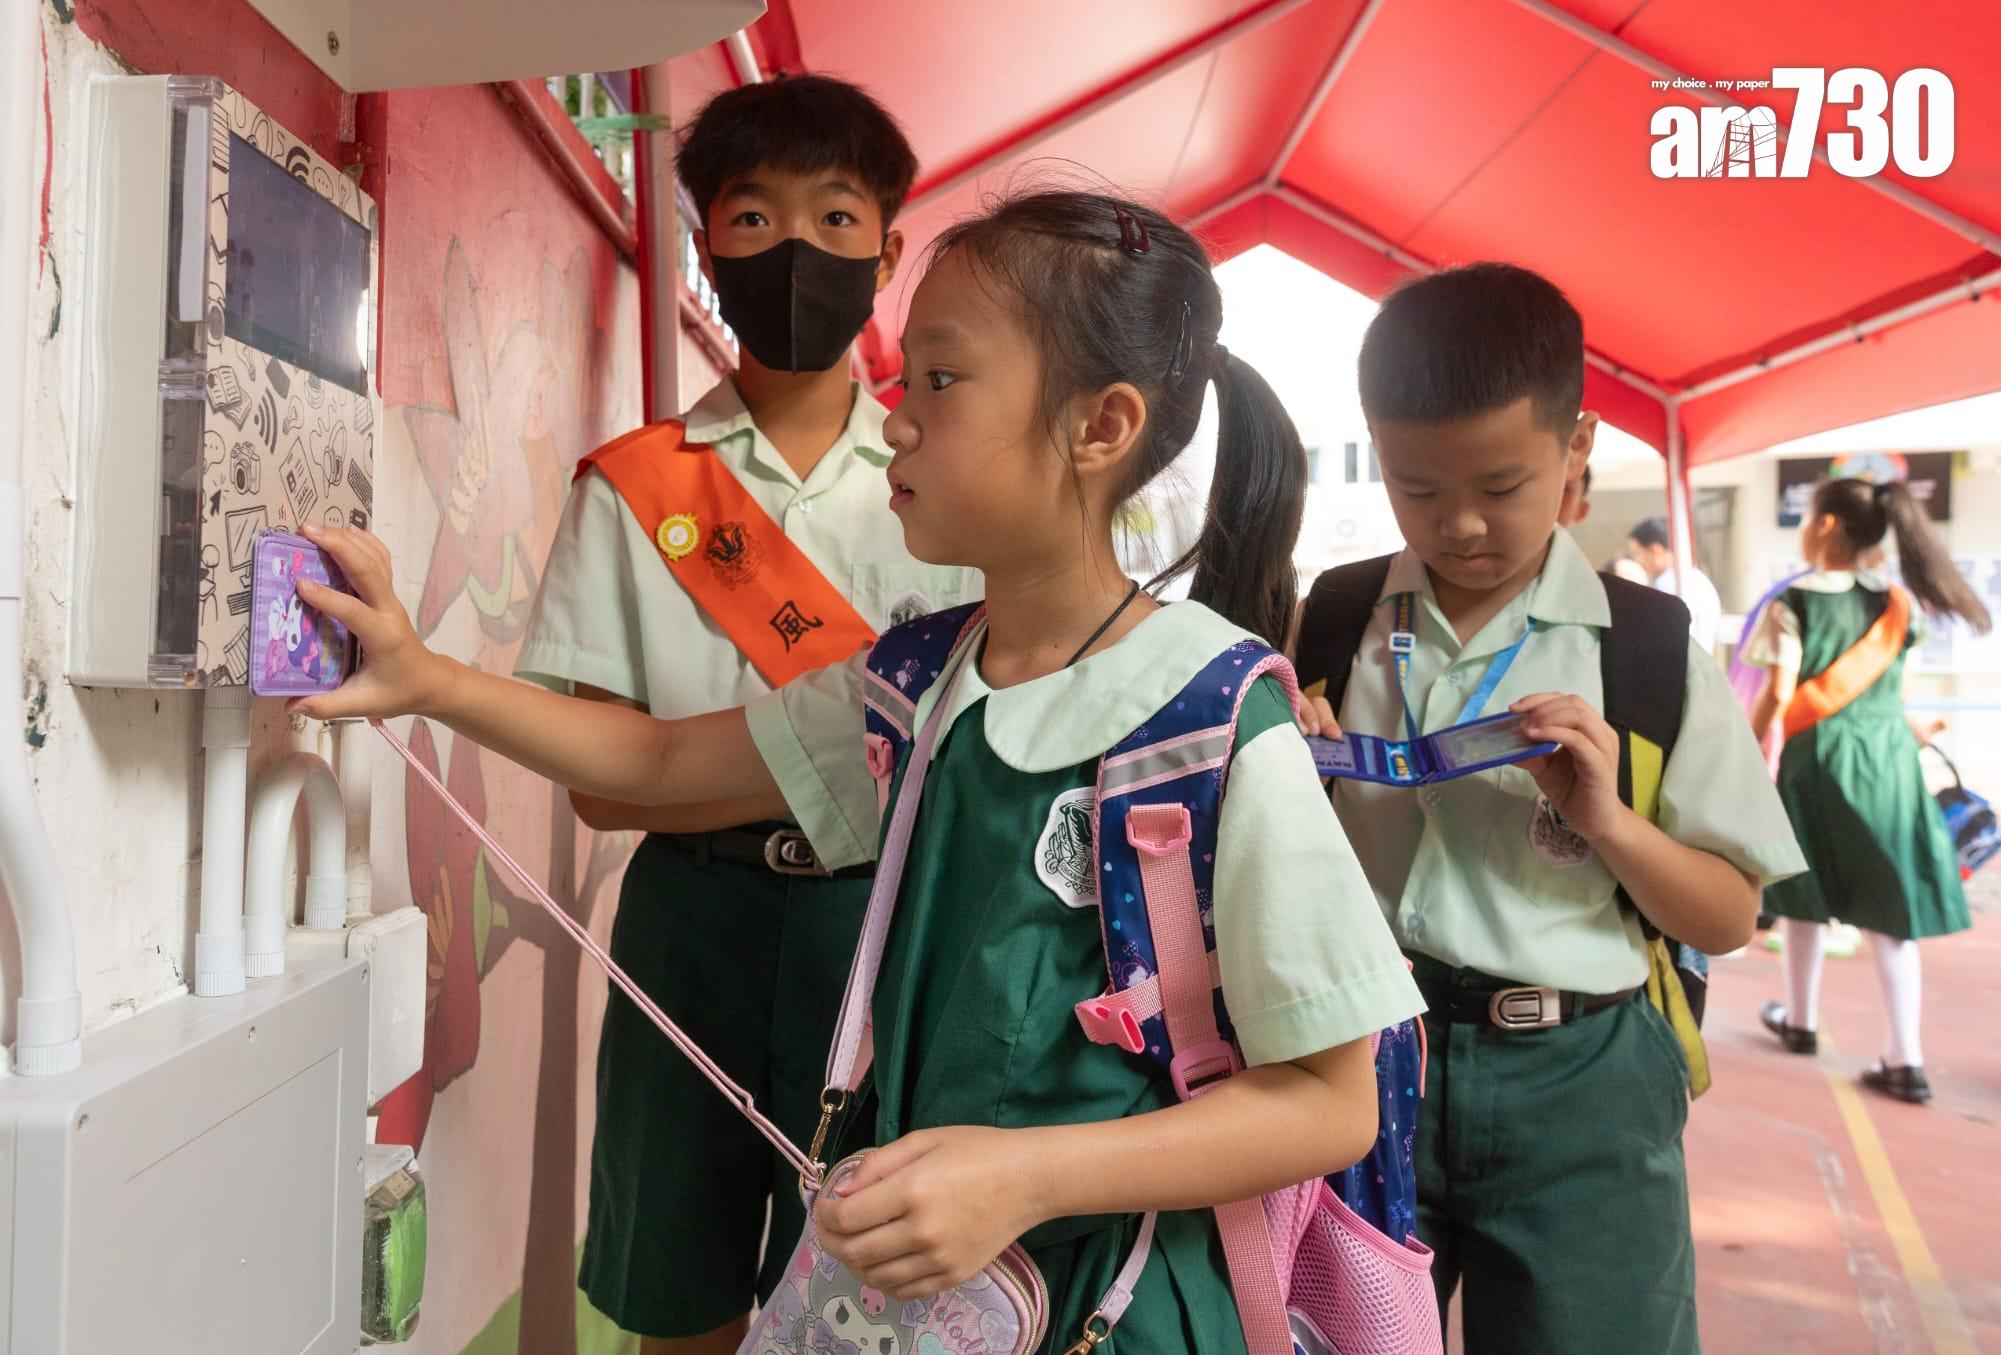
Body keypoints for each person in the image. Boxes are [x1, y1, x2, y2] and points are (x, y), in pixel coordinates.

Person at [293, 190, 1424, 1353]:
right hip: (932, 1304)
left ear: (1099, 428)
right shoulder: (920, 679)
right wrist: (425, 678)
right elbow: (667, 755)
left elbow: (1331, 1099)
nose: (895, 421)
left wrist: (1026, 1177)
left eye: (939, 380)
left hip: (1124, 1310)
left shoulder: (1213, 716)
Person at [511, 75, 977, 1353]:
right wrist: (849, 767)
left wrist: (696, 766)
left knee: (880, 1298)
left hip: (886, 926)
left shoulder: (950, 486)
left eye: (835, 221)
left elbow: (981, 751)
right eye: (752, 219)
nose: (794, 252)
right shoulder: (637, 487)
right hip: (687, 924)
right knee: (681, 1287)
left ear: (887, 251)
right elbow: (605, 786)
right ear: (704, 242)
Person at [1297, 263, 1804, 1354]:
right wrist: (1287, 771)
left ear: (1575, 453)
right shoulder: (1337, 617)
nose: (1460, 522)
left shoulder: (1648, 646)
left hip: (1581, 1085)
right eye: (1415, 486)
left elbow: (1723, 918)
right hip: (1360, 1063)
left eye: (1499, 481)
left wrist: (1610, 815)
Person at [1747, 476, 1989, 1104]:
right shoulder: (1899, 605)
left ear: (1825, 525)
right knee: (1890, 906)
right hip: (1887, 761)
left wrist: (1747, 751)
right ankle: (1905, 1059)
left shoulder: (1795, 600)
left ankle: (1799, 1023)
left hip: (1817, 758)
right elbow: (1892, 691)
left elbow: (1779, 692)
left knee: (1801, 891)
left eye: (1807, 516)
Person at [1626, 515, 1723, 652]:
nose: (1637, 561)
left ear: (1655, 550)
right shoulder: (1697, 580)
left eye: (1637, 553)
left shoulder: (1669, 586)